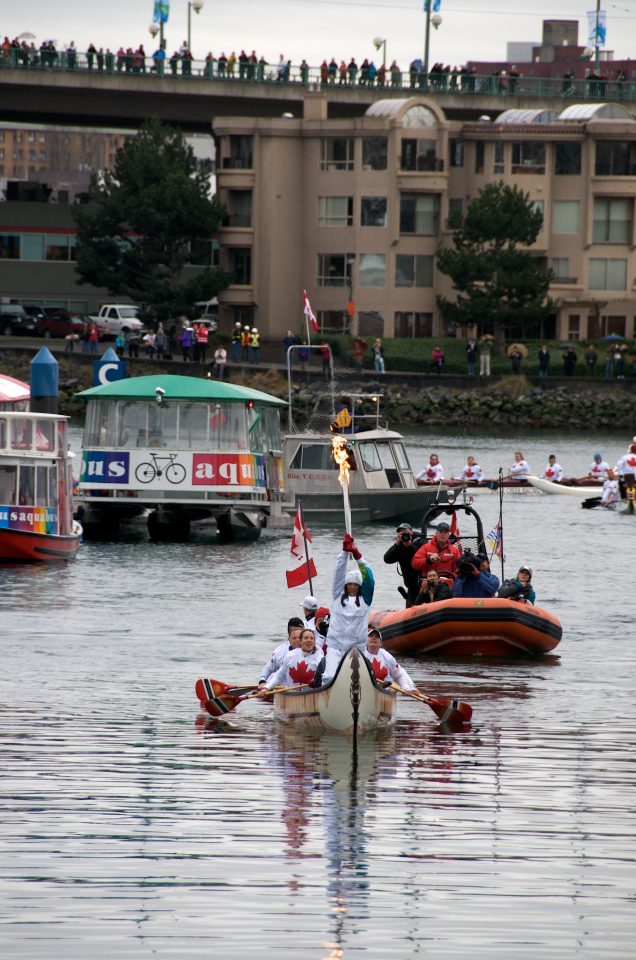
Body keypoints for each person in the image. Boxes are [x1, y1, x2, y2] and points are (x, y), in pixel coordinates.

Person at [321, 534, 374, 684]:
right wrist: (344, 553)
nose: (352, 587)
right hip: (335, 647)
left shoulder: (366, 600)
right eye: (349, 584)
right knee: (329, 677)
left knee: (357, 681)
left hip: (356, 649)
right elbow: (338, 573)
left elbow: (369, 577)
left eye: (355, 585)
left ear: (359, 586)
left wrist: (357, 555)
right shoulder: (337, 596)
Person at [383, 522, 425, 607]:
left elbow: (423, 555)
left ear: (411, 532)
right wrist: (396, 544)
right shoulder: (399, 547)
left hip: (424, 584)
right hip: (411, 586)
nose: (404, 534)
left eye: (406, 531)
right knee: (410, 611)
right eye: (401, 532)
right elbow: (387, 559)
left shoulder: (420, 541)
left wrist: (410, 545)